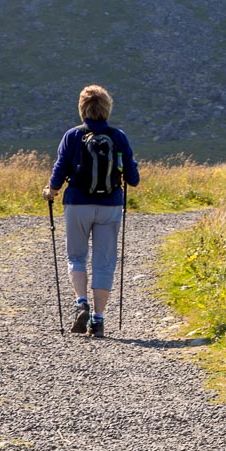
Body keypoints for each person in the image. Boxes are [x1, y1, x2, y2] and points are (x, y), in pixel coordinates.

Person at [42, 85, 140, 338]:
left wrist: (51, 192)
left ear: (82, 108)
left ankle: (81, 302)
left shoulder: (72, 136)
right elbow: (133, 178)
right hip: (110, 205)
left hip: (77, 204)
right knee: (104, 263)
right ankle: (98, 320)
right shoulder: (118, 137)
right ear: (107, 107)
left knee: (76, 256)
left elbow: (59, 170)